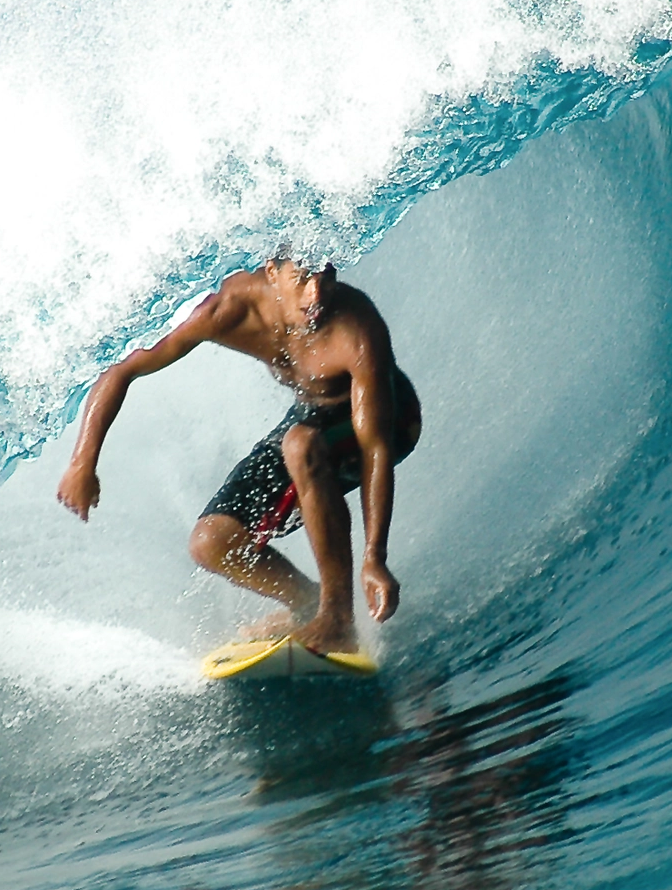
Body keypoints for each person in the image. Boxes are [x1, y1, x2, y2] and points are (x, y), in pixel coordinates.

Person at [55, 252, 421, 657]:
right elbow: (122, 370)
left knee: (300, 444)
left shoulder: (356, 327)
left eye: (326, 278)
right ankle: (307, 603)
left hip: (392, 420)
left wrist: (375, 558)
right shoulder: (225, 311)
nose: (316, 294)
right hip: (309, 418)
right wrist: (82, 463)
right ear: (271, 273)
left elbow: (376, 447)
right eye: (301, 279)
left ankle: (337, 620)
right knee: (211, 542)